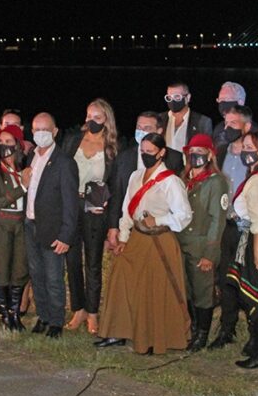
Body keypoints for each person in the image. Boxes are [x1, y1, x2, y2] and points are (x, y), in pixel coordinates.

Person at [95, 133, 193, 354]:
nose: (146, 155)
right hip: (138, 237)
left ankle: (152, 338)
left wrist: (158, 219)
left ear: (161, 153)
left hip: (160, 241)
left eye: (150, 152)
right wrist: (123, 237)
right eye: (143, 151)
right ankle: (117, 332)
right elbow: (127, 210)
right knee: (121, 276)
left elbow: (184, 216)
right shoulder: (135, 176)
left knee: (153, 290)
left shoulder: (171, 181)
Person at [61, 99, 121, 335]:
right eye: (88, 116)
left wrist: (112, 222)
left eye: (97, 117)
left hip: (96, 209)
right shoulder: (73, 140)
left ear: (106, 119)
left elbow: (115, 187)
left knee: (93, 263)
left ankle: (93, 311)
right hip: (71, 205)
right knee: (72, 260)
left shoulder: (112, 147)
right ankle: (78, 309)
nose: (91, 121)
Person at [23, 113, 79, 339]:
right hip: (30, 224)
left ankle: (56, 321)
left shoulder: (65, 162)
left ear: (55, 132)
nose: (41, 134)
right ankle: (43, 316)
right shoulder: (31, 157)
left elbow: (71, 202)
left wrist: (66, 235)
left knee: (54, 277)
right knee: (37, 275)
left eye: (45, 130)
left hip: (53, 229)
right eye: (37, 130)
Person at [226, 131, 258, 369]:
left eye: (250, 147)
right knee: (253, 295)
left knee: (255, 297)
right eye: (244, 146)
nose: (245, 151)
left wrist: (257, 252)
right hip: (253, 237)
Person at [209, 104, 257, 349]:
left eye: (234, 125)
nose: (227, 129)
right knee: (225, 278)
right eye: (226, 124)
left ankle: (255, 333)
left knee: (247, 280)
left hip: (247, 228)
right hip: (225, 225)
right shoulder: (220, 151)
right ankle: (227, 329)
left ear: (247, 127)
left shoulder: (255, 155)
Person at [177, 134, 230, 351]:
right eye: (192, 152)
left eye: (201, 152)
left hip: (201, 244)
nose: (196, 156)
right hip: (182, 243)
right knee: (187, 290)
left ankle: (202, 335)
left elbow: (218, 220)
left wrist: (210, 253)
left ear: (210, 155)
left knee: (203, 292)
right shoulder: (184, 179)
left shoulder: (215, 182)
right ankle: (193, 328)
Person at [107, 111, 184, 249]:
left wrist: (157, 220)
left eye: (147, 128)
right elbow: (118, 197)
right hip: (133, 233)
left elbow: (181, 211)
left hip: (161, 236)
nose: (141, 131)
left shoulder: (174, 160)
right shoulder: (124, 160)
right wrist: (116, 229)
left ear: (159, 131)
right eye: (139, 127)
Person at [0, 124, 28, 331]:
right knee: (1, 270)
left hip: (20, 224)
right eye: (1, 142)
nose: (4, 146)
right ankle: (4, 316)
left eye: (9, 142)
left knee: (19, 270)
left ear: (18, 145)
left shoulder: (21, 168)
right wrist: (22, 188)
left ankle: (15, 314)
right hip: (0, 224)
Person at [159, 81, 213, 152]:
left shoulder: (202, 122)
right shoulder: (160, 119)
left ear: (188, 97)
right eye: (169, 97)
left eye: (177, 97)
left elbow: (207, 150)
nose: (172, 101)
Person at [212, 82, 258, 149]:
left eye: (227, 99)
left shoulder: (255, 133)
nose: (222, 104)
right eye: (220, 99)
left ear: (240, 102)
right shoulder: (218, 129)